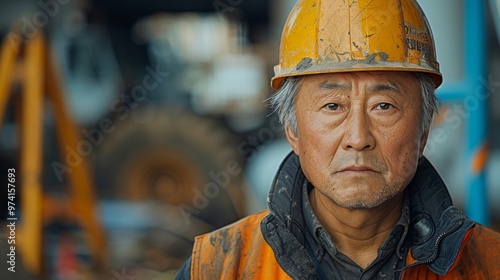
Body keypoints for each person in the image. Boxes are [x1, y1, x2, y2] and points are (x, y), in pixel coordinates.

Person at [175, 0, 500, 279]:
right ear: (292, 129)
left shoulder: (488, 264)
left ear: (424, 129)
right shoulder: (219, 267)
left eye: (383, 106)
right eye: (333, 106)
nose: (358, 138)